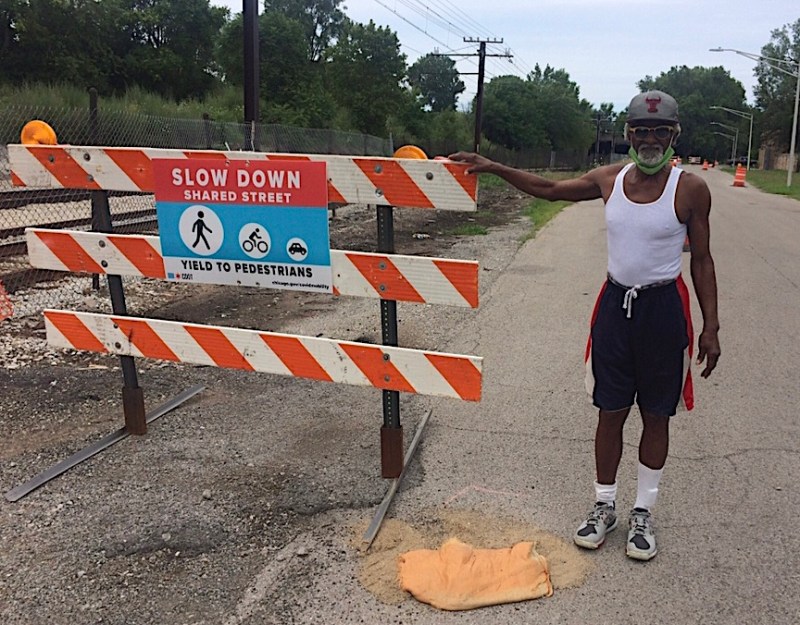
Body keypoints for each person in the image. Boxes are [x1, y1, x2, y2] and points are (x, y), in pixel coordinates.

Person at [449, 90, 720, 561]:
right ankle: (603, 505)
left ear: (675, 135)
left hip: (663, 312)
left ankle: (642, 513)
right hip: (615, 309)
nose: (650, 139)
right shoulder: (608, 180)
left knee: (657, 413)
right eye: (641, 130)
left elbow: (703, 259)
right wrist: (493, 166)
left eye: (660, 131)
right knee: (609, 411)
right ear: (628, 135)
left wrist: (711, 326)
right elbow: (548, 190)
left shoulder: (690, 189)